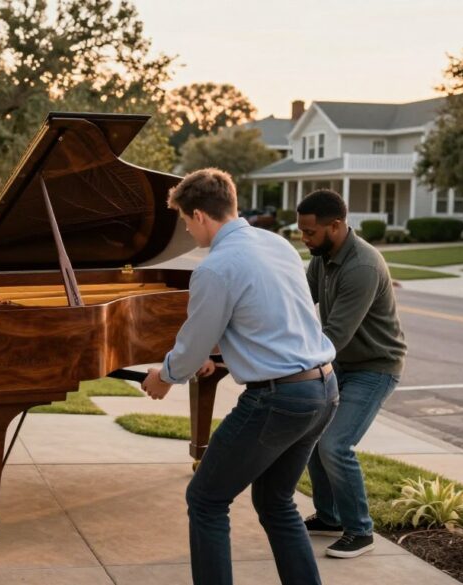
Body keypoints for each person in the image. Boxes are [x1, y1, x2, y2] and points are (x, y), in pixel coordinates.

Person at [141, 168, 338, 585]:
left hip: (278, 400)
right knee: (276, 500)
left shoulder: (215, 267)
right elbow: (269, 317)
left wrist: (167, 375)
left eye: (184, 221)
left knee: (206, 499)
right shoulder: (278, 245)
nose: (188, 230)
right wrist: (222, 356)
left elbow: (193, 343)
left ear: (199, 216)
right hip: (322, 388)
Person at [297, 189, 407, 558]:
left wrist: (288, 363)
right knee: (312, 435)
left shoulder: (361, 266)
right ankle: (329, 518)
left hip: (375, 367)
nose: (304, 238)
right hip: (341, 363)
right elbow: (296, 303)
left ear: (337, 226)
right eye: (301, 231)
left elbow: (334, 337)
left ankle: (360, 530)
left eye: (310, 232)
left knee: (335, 445)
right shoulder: (323, 257)